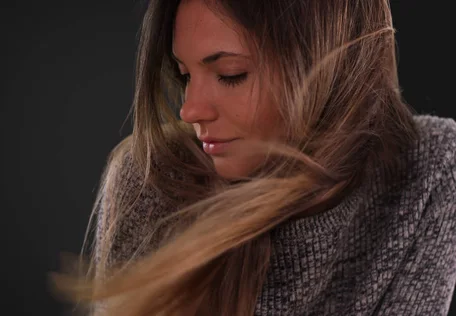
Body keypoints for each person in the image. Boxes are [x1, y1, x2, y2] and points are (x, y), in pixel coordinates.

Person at [52, 0, 456, 315]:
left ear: (323, 60)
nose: (190, 111)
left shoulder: (430, 169)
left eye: (230, 74)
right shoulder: (150, 179)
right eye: (185, 76)